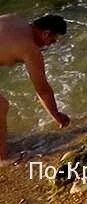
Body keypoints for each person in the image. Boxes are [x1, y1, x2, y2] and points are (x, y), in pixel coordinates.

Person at [0, 13, 71, 163]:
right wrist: (56, 115)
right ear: (45, 33)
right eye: (52, 41)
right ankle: (3, 159)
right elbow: (42, 89)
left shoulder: (15, 18)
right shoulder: (30, 49)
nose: (49, 45)